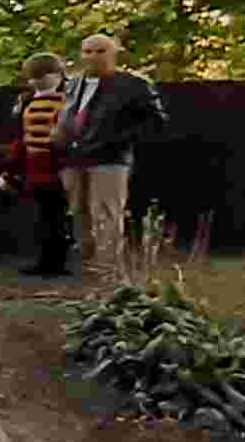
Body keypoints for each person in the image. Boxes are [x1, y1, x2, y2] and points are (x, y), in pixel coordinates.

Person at [57, 33, 167, 280]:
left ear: (114, 53)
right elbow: (69, 116)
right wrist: (60, 137)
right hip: (74, 159)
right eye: (87, 51)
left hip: (110, 159)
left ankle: (106, 268)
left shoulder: (134, 84)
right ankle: (87, 263)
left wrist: (117, 139)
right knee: (77, 212)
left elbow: (155, 122)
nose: (93, 56)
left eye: (100, 51)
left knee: (106, 213)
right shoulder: (74, 84)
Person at [0, 55, 72, 278]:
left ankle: (55, 262)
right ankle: (47, 261)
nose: (38, 80)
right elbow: (23, 136)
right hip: (35, 164)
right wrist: (13, 164)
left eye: (43, 75)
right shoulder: (28, 102)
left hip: (57, 165)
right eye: (35, 76)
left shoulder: (67, 101)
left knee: (55, 216)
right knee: (46, 215)